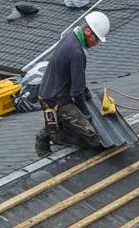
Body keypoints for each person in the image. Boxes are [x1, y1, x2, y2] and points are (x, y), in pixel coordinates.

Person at [34, 10, 110, 155]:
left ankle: (55, 131)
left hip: (48, 93)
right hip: (57, 99)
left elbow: (73, 78)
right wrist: (86, 114)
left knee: (65, 121)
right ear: (88, 31)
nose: (97, 43)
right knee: (93, 136)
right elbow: (76, 92)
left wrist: (84, 90)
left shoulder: (71, 36)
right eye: (97, 39)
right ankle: (52, 137)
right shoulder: (77, 53)